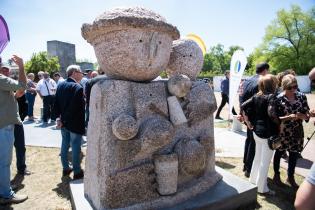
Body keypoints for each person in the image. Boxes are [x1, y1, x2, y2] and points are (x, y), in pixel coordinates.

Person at [270, 74, 309, 189]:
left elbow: (307, 116)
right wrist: (288, 117)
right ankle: (276, 176)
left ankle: (290, 177)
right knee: (279, 153)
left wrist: (304, 116)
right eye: (289, 88)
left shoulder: (302, 97)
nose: (293, 90)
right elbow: (274, 118)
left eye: (295, 87)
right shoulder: (278, 98)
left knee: (293, 154)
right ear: (283, 87)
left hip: (297, 131)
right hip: (282, 131)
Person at [241, 74, 279, 195]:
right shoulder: (271, 97)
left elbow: (243, 106)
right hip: (268, 133)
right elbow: (271, 113)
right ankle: (262, 188)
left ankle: (253, 181)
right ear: (272, 84)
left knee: (258, 158)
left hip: (257, 131)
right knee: (265, 162)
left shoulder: (257, 96)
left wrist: (248, 122)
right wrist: (280, 121)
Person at [0, 55, 28, 204]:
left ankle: (3, 188)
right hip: (4, 126)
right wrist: (22, 66)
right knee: (4, 162)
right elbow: (22, 86)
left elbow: (13, 95)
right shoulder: (1, 79)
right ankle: (6, 194)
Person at [53, 65, 85, 180]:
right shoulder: (77, 87)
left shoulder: (60, 85)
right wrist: (62, 119)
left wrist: (59, 119)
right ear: (74, 72)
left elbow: (55, 104)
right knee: (76, 146)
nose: (82, 74)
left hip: (64, 122)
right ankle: (77, 171)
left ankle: (66, 168)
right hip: (73, 123)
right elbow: (74, 107)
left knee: (65, 144)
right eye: (81, 72)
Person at [239, 62, 269, 177]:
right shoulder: (261, 82)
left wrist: (242, 114)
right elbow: (259, 101)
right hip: (255, 117)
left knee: (249, 140)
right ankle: (249, 168)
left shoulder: (246, 81)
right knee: (253, 143)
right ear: (265, 70)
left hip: (247, 114)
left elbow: (241, 98)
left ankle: (246, 164)